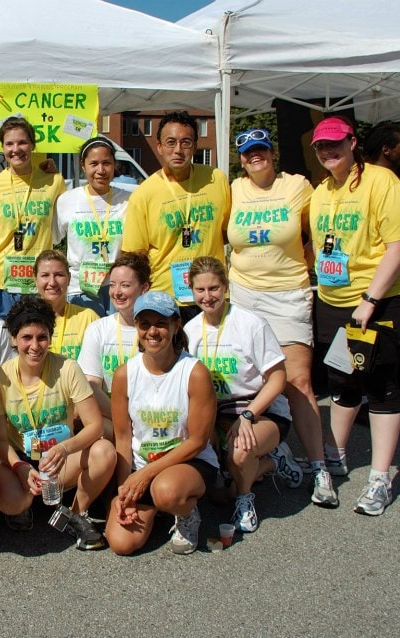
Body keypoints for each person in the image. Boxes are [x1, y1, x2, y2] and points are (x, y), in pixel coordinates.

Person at [226, 128, 338, 508]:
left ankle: (319, 464)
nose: (254, 157)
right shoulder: (234, 190)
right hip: (243, 293)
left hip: (287, 293)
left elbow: (325, 221)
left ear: (271, 153)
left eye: (260, 150)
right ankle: (270, 450)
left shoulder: (297, 186)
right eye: (246, 153)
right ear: (240, 160)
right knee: (250, 379)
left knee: (298, 380)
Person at [309, 116, 400, 516]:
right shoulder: (321, 191)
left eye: (335, 144)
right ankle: (336, 455)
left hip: (378, 302)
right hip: (334, 301)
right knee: (341, 378)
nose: (328, 152)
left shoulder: (381, 182)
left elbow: (399, 246)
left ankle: (379, 477)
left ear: (353, 143)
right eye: (321, 146)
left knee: (381, 385)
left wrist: (370, 300)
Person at [0, 296, 115, 551]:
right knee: (12, 502)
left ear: (50, 336)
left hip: (59, 458)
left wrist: (65, 448)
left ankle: (76, 513)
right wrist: (19, 467)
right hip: (21, 459)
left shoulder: (68, 368)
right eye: (26, 338)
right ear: (13, 339)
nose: (35, 346)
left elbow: (94, 425)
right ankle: (26, 503)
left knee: (104, 451)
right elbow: (1, 441)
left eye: (42, 337)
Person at [183, 257, 298, 533]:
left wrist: (249, 415)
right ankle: (273, 462)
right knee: (219, 495)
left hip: (259, 411)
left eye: (214, 289)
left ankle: (246, 501)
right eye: (201, 290)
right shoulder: (189, 331)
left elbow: (279, 377)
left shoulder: (251, 324)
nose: (208, 297)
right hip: (218, 413)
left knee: (240, 452)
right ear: (191, 290)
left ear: (225, 287)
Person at [104, 291, 218, 556]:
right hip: (143, 467)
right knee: (121, 544)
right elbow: (123, 438)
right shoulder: (124, 374)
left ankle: (186, 512)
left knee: (166, 490)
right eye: (145, 324)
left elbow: (198, 441)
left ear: (176, 325)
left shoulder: (194, 372)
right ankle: (155, 508)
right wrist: (125, 491)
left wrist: (145, 474)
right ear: (136, 327)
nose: (152, 331)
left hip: (188, 462)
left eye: (161, 323)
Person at [120, 111, 230, 321]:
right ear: (159, 147)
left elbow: (226, 232)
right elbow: (135, 255)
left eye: (185, 142)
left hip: (210, 295)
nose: (178, 150)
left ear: (195, 146)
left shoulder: (216, 180)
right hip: (165, 298)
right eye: (170, 142)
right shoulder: (144, 193)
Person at [0, 117, 67, 317]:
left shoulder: (54, 181)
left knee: (34, 346)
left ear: (32, 144)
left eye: (22, 142)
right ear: (2, 147)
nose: (16, 149)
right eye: (9, 143)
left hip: (38, 284)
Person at [54, 135, 132, 315]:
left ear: (114, 165)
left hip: (117, 288)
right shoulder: (67, 200)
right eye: (94, 163)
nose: (101, 170)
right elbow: (55, 241)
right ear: (83, 166)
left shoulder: (128, 200)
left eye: (106, 163)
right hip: (80, 288)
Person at [77, 251, 151, 420]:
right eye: (112, 285)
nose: (116, 292)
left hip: (151, 418)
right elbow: (91, 385)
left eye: (125, 285)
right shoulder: (97, 329)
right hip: (112, 418)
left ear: (144, 288)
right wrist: (122, 421)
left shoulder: (155, 332)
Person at [34, 249, 98, 361]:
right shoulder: (26, 320)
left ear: (69, 279)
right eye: (45, 275)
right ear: (35, 279)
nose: (52, 282)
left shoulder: (88, 318)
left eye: (59, 275)